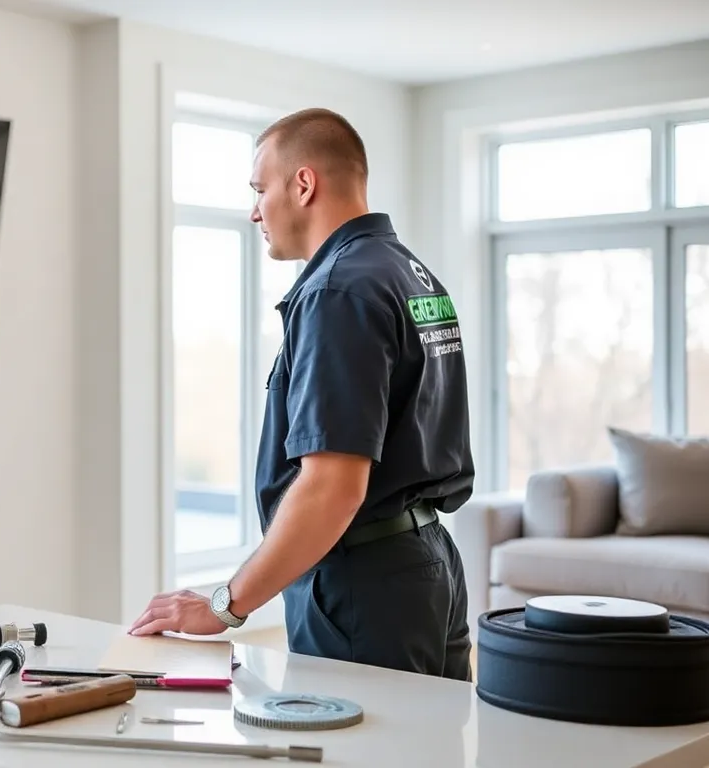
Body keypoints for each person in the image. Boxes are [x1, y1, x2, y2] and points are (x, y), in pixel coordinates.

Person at [128, 108, 476, 681]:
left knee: (359, 735)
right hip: (428, 564)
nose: (254, 211)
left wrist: (226, 604)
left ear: (304, 184)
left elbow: (332, 487)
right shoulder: (410, 274)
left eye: (259, 189)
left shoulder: (337, 289)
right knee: (428, 733)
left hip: (363, 584)